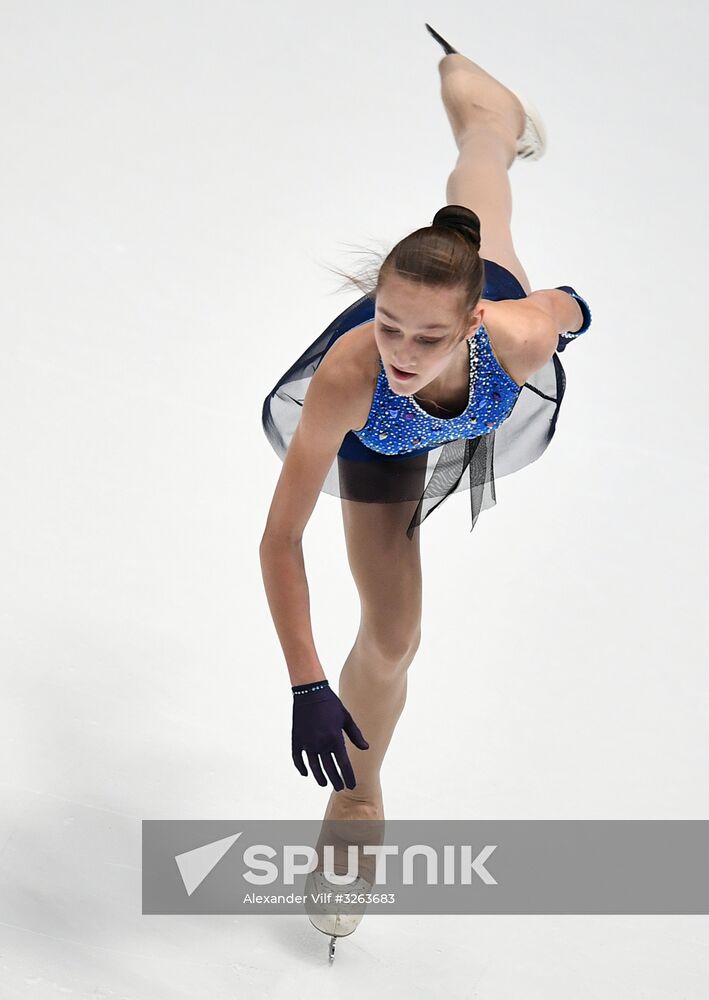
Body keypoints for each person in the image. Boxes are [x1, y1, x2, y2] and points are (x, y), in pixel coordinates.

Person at [258, 22, 592, 951]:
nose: (402, 352)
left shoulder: (514, 335)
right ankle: (356, 799)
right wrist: (306, 683)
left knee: (482, 187)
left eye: (427, 336)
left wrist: (567, 313)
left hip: (498, 325)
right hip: (383, 449)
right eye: (390, 325)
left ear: (471, 321)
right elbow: (279, 538)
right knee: (394, 635)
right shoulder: (351, 375)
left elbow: (565, 311)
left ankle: (487, 113)